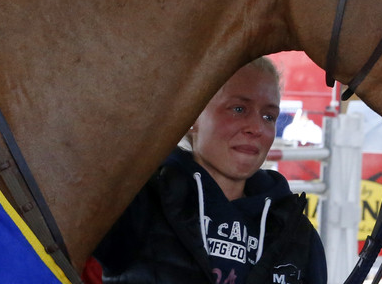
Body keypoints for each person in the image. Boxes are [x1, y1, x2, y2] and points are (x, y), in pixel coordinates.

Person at [94, 57, 327, 284]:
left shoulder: (295, 232)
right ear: (193, 114)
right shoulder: (141, 200)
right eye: (238, 109)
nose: (256, 128)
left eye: (268, 116)